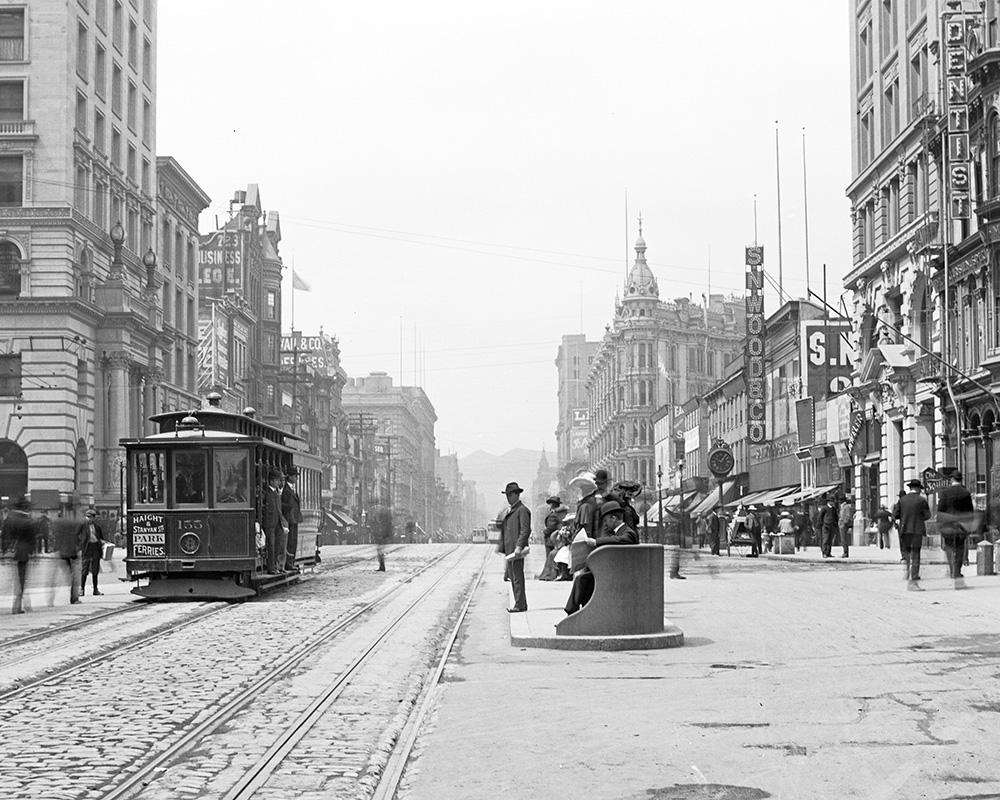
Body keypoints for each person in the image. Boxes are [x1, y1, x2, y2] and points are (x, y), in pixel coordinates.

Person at [564, 500, 638, 613]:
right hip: (616, 570)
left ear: (613, 518)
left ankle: (573, 612)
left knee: (582, 579)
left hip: (620, 574)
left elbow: (623, 540)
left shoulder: (628, 533)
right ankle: (582, 612)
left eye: (606, 520)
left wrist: (596, 542)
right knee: (585, 577)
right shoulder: (620, 531)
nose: (605, 524)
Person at [936, 472, 975, 587]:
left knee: (949, 547)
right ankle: (957, 572)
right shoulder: (966, 493)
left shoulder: (944, 493)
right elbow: (970, 512)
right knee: (959, 548)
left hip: (947, 525)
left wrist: (940, 524)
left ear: (951, 479)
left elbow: (940, 510)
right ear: (961, 479)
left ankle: (952, 569)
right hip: (961, 525)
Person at [498, 481, 530, 613]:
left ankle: (519, 604)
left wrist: (519, 546)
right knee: (513, 576)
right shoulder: (511, 510)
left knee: (517, 577)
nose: (508, 497)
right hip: (510, 549)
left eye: (510, 495)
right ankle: (520, 603)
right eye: (507, 495)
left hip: (516, 549)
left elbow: (525, 530)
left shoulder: (522, 510)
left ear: (517, 495)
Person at [2, 497, 38, 613]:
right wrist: (33, 553)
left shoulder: (9, 519)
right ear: (26, 508)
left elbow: (4, 536)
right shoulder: (29, 521)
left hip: (10, 552)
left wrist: (4, 550)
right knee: (22, 579)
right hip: (23, 553)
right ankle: (17, 606)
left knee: (15, 578)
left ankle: (24, 603)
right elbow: (32, 540)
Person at [897, 479, 930, 590]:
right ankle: (913, 581)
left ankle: (907, 573)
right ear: (918, 489)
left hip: (904, 530)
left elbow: (896, 514)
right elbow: (927, 515)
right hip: (916, 530)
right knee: (916, 555)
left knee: (907, 553)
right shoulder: (922, 500)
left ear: (910, 488)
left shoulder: (902, 500)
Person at [259, 468, 288, 575]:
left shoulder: (276, 493)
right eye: (276, 480)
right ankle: (271, 568)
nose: (278, 482)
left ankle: (275, 565)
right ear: (271, 481)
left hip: (277, 523)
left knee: (278, 545)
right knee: (271, 545)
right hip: (270, 523)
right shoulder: (266, 493)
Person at [51, 516, 82, 605]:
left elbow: (56, 543)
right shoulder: (74, 533)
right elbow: (78, 543)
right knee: (75, 577)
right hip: (72, 555)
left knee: (57, 576)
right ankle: (74, 598)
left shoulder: (59, 534)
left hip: (62, 554)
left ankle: (51, 598)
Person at [76, 507, 107, 596]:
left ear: (94, 518)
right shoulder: (82, 526)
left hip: (95, 548)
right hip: (86, 548)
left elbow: (101, 538)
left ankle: (95, 589)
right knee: (84, 570)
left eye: (91, 517)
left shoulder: (97, 527)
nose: (89, 519)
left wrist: (102, 542)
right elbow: (76, 536)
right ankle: (82, 589)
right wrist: (80, 546)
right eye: (87, 517)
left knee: (95, 569)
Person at [537, 495, 565, 581]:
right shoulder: (561, 513)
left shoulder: (554, 515)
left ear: (553, 504)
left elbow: (551, 527)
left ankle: (550, 574)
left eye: (551, 503)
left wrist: (545, 532)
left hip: (551, 538)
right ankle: (553, 573)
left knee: (550, 557)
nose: (550, 505)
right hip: (557, 537)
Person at [281, 467, 303, 572]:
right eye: (294, 476)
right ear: (289, 476)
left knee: (293, 541)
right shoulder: (286, 490)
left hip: (294, 518)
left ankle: (291, 562)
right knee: (290, 542)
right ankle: (289, 563)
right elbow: (282, 504)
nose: (296, 478)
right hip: (289, 518)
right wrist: (289, 507)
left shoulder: (292, 489)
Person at [372, 504, 393, 571]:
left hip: (382, 540)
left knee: (380, 553)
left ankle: (382, 567)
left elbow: (385, 531)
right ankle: (381, 566)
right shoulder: (383, 523)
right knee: (380, 554)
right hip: (381, 539)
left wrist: (382, 536)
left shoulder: (385, 523)